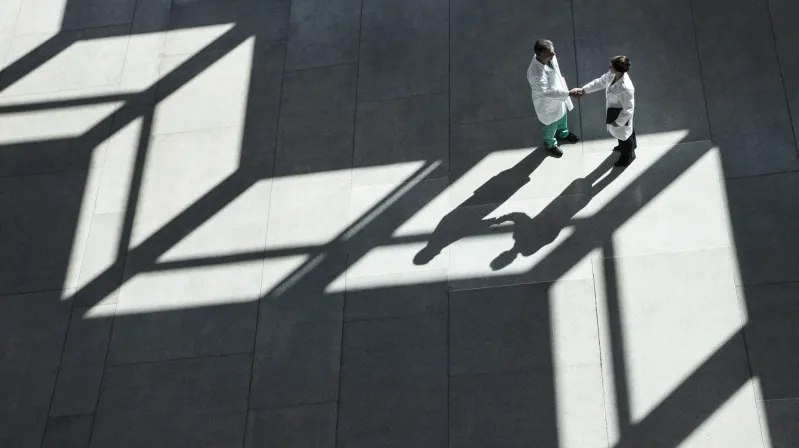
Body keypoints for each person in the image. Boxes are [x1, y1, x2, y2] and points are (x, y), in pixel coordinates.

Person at [571, 56, 636, 166]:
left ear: (618, 69)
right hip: (615, 113)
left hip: (620, 117)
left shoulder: (626, 88)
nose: (609, 66)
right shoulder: (612, 74)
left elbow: (628, 109)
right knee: (624, 135)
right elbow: (600, 82)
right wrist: (584, 90)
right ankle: (628, 146)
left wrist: (618, 122)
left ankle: (627, 157)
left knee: (625, 136)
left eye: (611, 65)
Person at [527, 39, 580, 158]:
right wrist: (569, 93)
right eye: (550, 53)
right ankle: (550, 144)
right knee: (550, 125)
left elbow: (556, 71)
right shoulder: (535, 73)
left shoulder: (549, 57)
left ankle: (563, 134)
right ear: (540, 55)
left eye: (553, 50)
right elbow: (546, 93)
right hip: (548, 105)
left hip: (559, 96)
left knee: (562, 117)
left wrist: (562, 82)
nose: (554, 54)